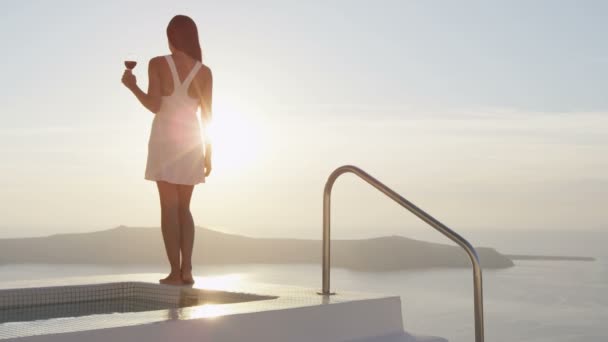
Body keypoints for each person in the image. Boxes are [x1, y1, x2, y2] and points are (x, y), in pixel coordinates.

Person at [121, 15, 213, 285]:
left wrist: (132, 86)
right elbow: (208, 116)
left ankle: (175, 271)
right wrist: (210, 152)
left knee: (168, 208)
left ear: (171, 36)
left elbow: (154, 105)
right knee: (185, 208)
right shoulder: (204, 72)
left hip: (165, 139)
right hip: (192, 140)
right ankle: (188, 271)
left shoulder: (159, 63)